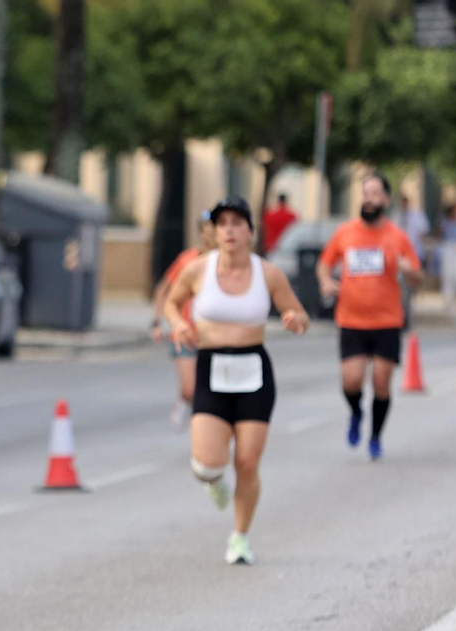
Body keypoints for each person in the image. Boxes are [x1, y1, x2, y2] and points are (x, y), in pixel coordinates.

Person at [162, 197, 309, 565]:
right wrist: (178, 323)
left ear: (249, 231)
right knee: (208, 462)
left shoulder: (268, 273)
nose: (228, 230)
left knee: (246, 462)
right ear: (213, 230)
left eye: (236, 223)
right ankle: (213, 481)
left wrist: (294, 320)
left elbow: (298, 312)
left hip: (253, 371)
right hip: (211, 367)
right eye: (221, 223)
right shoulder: (198, 270)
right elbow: (170, 301)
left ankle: (240, 537)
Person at [317, 172, 423, 459]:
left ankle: (375, 436)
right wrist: (326, 282)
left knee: (380, 382)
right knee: (351, 381)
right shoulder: (345, 233)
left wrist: (408, 270)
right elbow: (324, 265)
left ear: (386, 199)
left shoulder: (396, 237)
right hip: (351, 320)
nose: (369, 199)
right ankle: (355, 412)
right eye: (365, 193)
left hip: (387, 320)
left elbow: (416, 276)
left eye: (375, 194)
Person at [151, 211, 216, 428]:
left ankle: (204, 427)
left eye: (213, 228)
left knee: (208, 390)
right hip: (184, 332)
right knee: (190, 389)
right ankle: (184, 399)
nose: (210, 234)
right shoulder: (187, 260)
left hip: (213, 337)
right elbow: (163, 289)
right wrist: (157, 322)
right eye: (205, 228)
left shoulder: (225, 263)